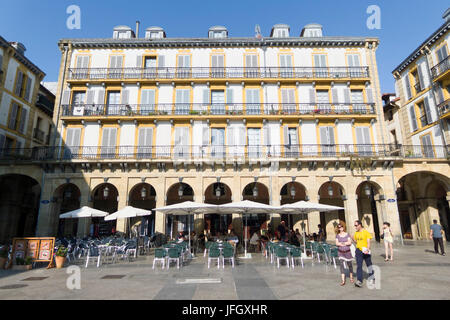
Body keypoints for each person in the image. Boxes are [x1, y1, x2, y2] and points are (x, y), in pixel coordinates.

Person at [352, 220, 374, 288]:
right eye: (354, 225)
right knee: (359, 266)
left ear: (360, 225)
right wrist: (353, 238)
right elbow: (356, 241)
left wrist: (368, 249)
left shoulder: (366, 232)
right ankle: (359, 281)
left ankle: (372, 277)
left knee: (369, 264)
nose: (355, 227)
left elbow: (368, 242)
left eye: (356, 225)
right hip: (358, 251)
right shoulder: (356, 233)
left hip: (366, 250)